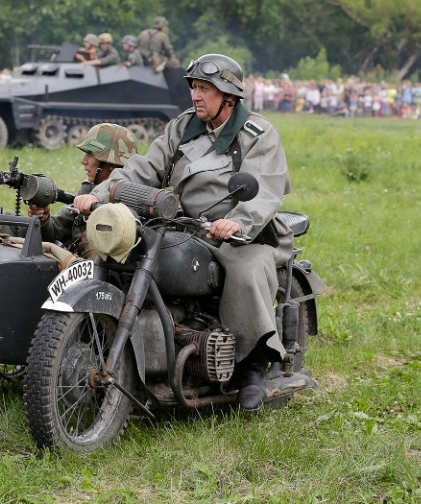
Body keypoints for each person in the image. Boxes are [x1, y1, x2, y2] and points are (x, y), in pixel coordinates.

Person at [73, 53, 294, 413]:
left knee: (247, 269)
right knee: (124, 251)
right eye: (194, 87)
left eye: (205, 89)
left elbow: (265, 189)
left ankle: (253, 366)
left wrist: (238, 221)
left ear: (229, 97)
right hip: (181, 225)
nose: (196, 95)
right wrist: (98, 193)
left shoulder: (257, 133)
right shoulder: (183, 127)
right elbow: (143, 167)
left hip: (241, 233)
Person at [26, 124, 138, 256]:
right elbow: (56, 231)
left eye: (90, 154)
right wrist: (43, 220)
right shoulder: (89, 189)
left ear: (112, 164)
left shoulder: (134, 200)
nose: (83, 161)